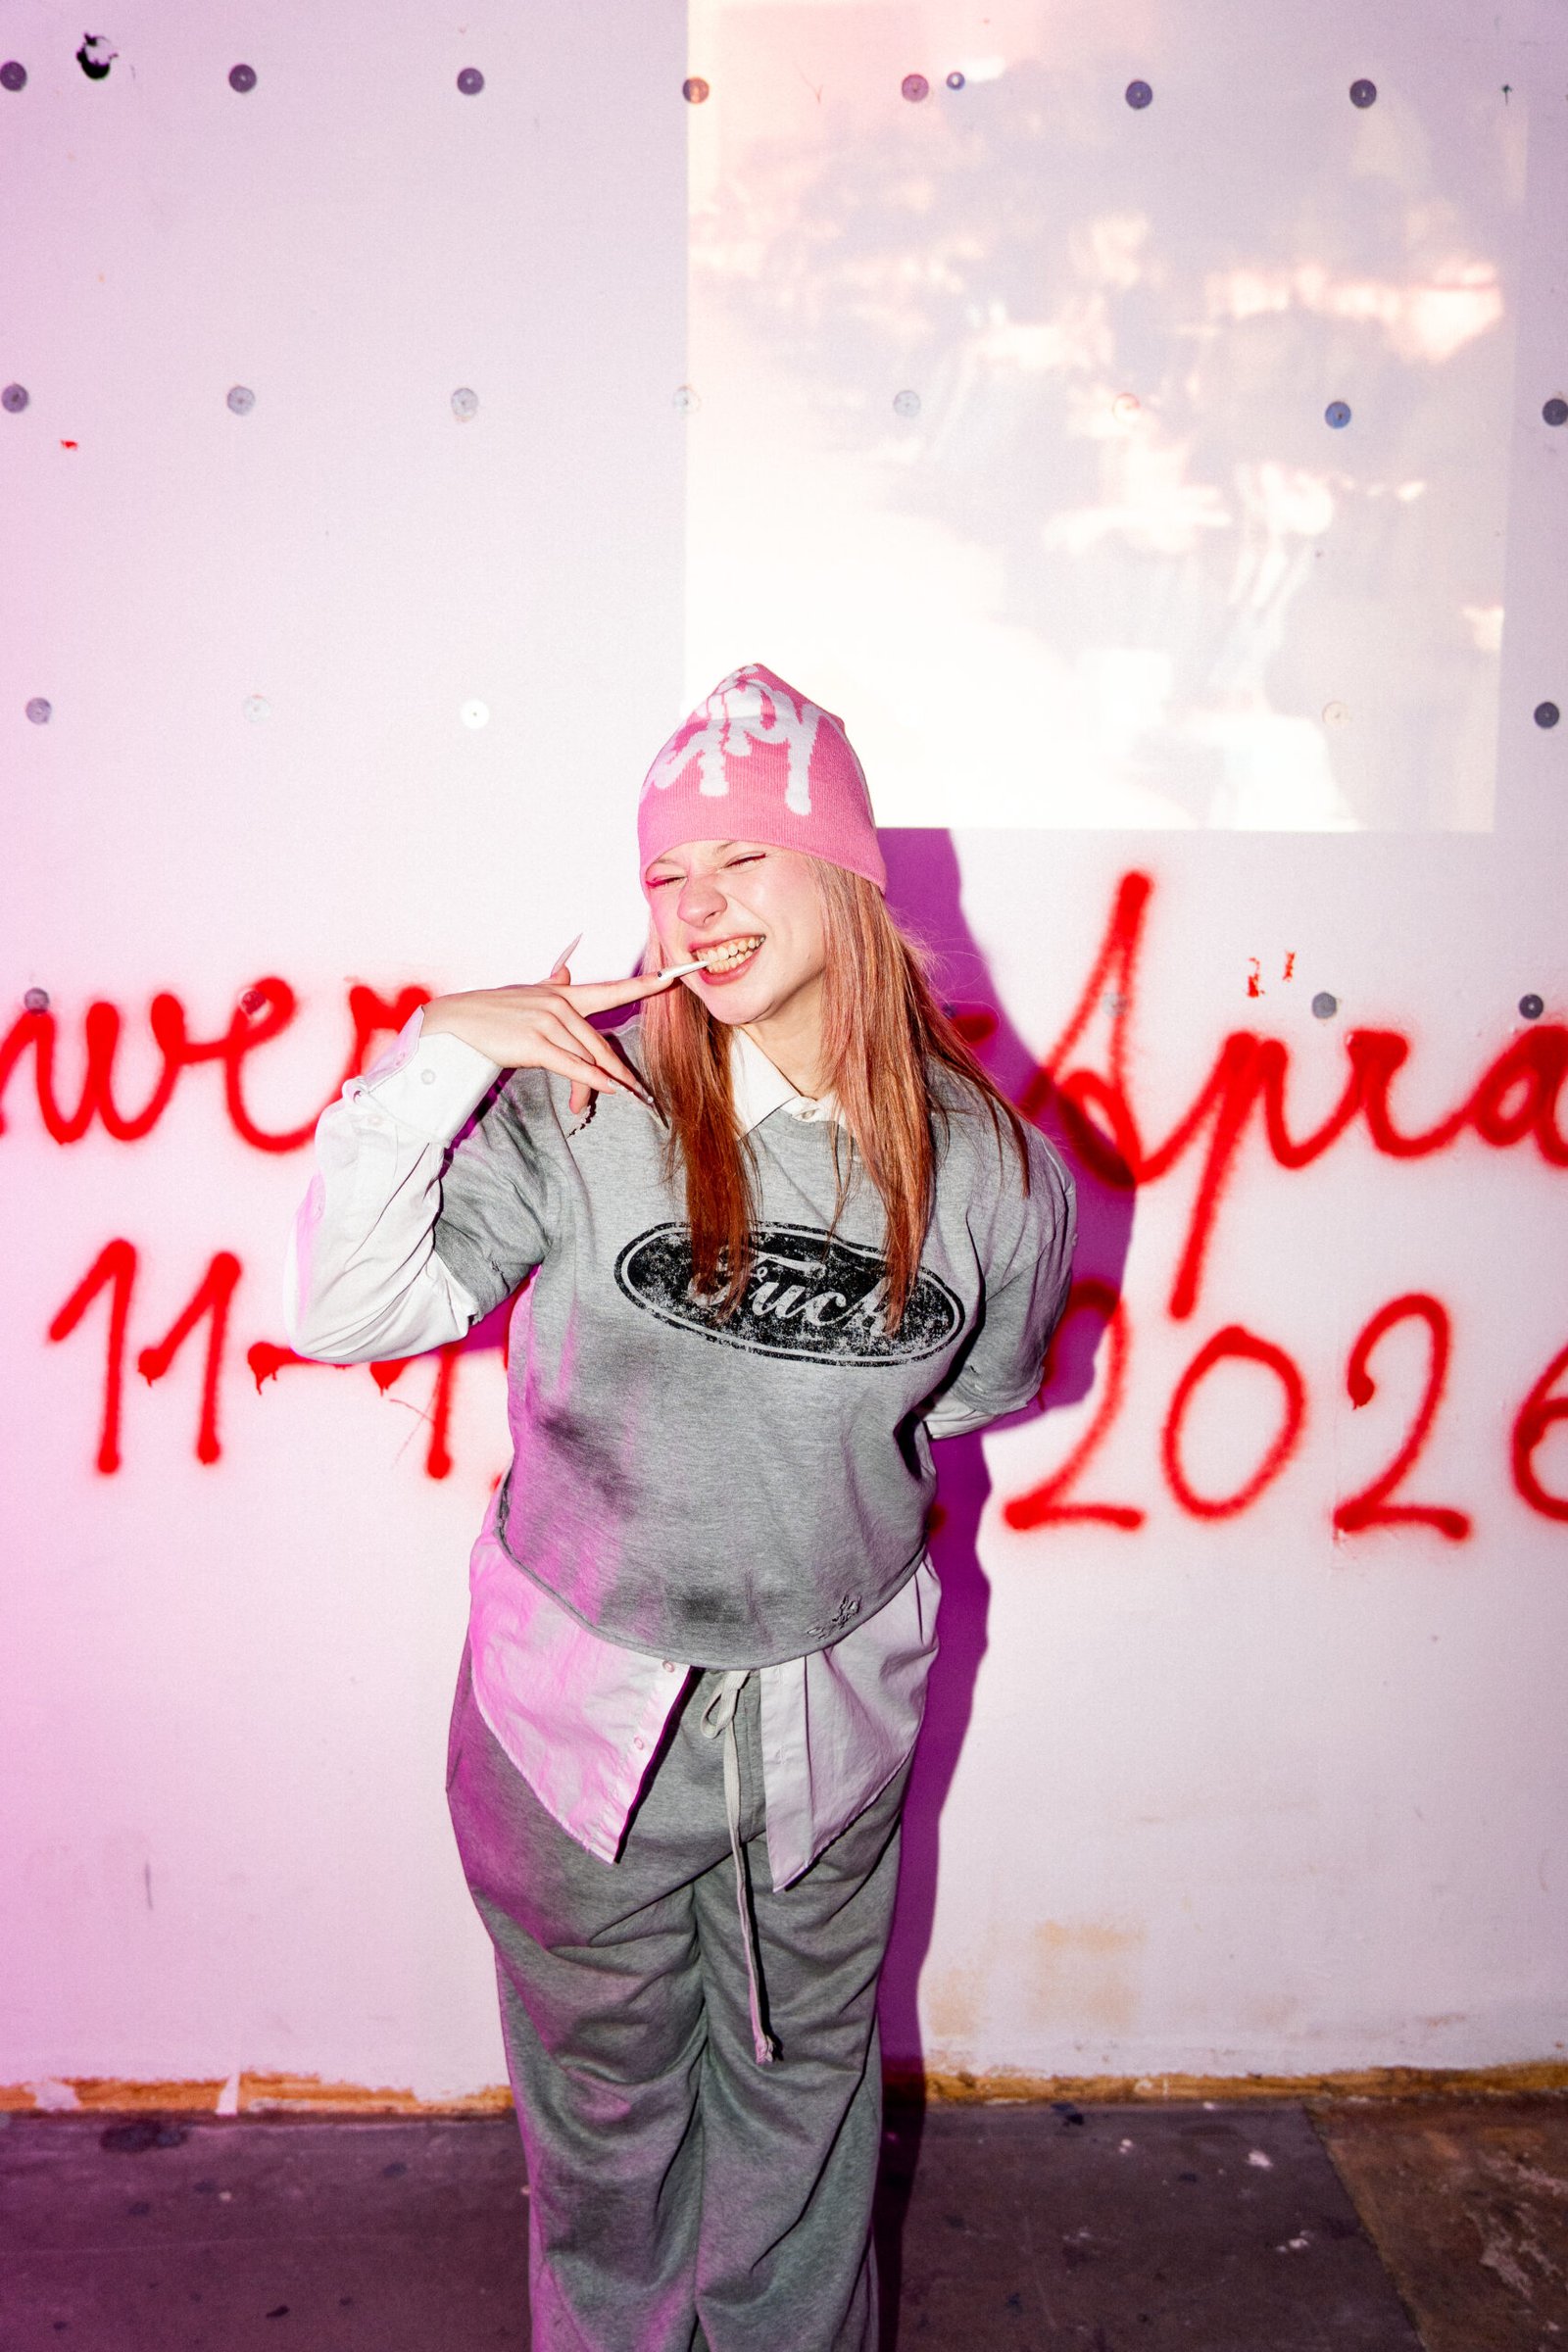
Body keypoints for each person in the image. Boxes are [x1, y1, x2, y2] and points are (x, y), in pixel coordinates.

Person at [283, 662, 1076, 2352]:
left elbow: (969, 1397)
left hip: (829, 1727)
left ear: (845, 872)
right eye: (665, 870)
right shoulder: (583, 1105)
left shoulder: (997, 1171)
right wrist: (440, 1054)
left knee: (802, 2108)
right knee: (606, 2118)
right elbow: (345, 1315)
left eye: (741, 857)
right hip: (571, 1722)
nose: (695, 906)